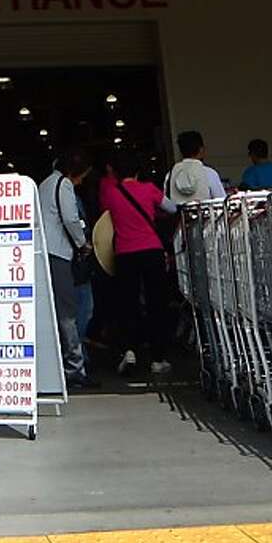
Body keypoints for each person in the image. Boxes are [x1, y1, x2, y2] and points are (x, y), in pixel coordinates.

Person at [100, 149, 178, 378]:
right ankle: (157, 358)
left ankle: (130, 351)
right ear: (138, 170)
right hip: (151, 251)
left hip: (125, 253)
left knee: (128, 304)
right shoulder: (149, 189)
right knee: (156, 304)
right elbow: (172, 208)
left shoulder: (112, 194)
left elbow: (105, 220)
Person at [39, 149, 99, 390]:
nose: (81, 181)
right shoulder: (63, 184)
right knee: (68, 313)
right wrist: (82, 244)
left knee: (54, 311)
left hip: (45, 253)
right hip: (59, 254)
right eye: (81, 176)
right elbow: (71, 219)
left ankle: (57, 365)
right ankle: (74, 368)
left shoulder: (44, 184)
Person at [166, 130, 226, 205]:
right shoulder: (209, 173)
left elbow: (167, 203)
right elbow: (221, 201)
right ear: (201, 150)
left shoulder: (170, 175)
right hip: (204, 215)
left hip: (179, 216)